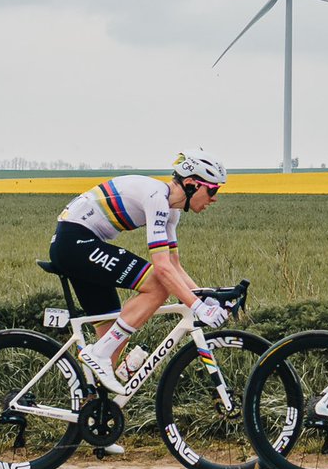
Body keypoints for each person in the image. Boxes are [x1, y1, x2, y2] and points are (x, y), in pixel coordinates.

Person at [49, 151, 229, 395]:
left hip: (80, 245)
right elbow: (163, 269)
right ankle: (98, 354)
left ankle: (93, 405)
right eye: (212, 190)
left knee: (113, 336)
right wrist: (198, 307)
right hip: (75, 243)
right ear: (191, 184)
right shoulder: (157, 197)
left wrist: (207, 297)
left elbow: (174, 266)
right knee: (158, 285)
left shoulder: (171, 211)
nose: (214, 198)